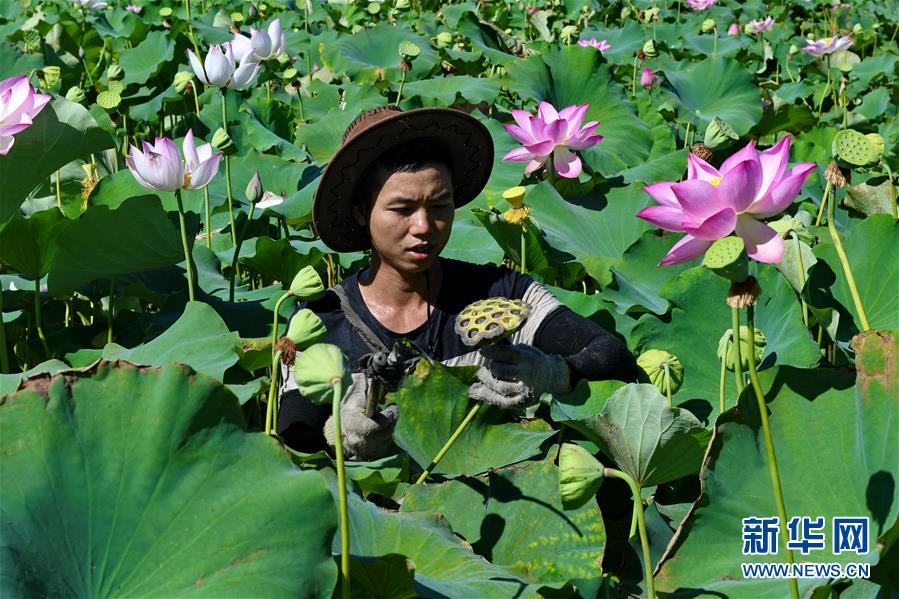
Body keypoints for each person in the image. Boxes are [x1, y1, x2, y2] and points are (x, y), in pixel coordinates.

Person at [278, 105, 640, 459]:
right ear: (360, 211)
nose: (423, 227)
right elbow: (294, 439)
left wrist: (553, 372)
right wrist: (338, 432)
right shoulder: (319, 322)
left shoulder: (502, 294)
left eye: (439, 206)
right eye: (402, 210)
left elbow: (614, 358)